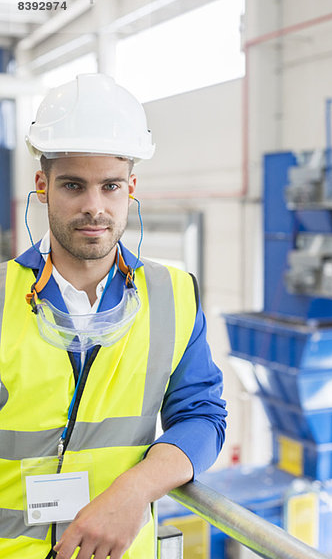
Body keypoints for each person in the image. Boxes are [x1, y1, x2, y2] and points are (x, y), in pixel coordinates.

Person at [0, 73, 227, 559]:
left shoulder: (174, 295)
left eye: (110, 186)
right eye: (73, 186)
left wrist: (135, 490)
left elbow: (202, 416)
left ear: (131, 187)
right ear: (42, 186)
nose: (94, 207)